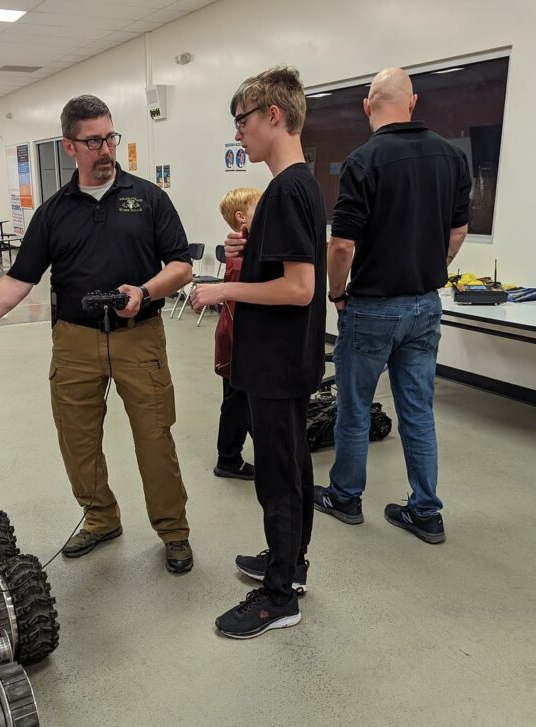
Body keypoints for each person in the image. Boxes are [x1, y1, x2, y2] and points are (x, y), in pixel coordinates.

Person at [0, 94, 196, 573]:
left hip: (140, 336)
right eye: (93, 141)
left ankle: (173, 530)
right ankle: (100, 519)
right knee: (77, 439)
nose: (105, 150)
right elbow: (17, 282)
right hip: (74, 342)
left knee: (155, 438)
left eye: (110, 137)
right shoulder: (53, 212)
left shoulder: (149, 198)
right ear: (70, 147)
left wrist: (144, 289)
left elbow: (181, 266)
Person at [192, 67, 327, 638]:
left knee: (278, 475)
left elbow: (300, 288)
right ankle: (287, 565)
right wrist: (243, 253)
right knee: (292, 467)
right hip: (279, 358)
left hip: (278, 362)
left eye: (242, 121)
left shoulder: (290, 188)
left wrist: (222, 288)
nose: (238, 133)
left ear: (274, 115)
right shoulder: (288, 189)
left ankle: (279, 598)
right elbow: (284, 268)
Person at [313, 68, 471, 545]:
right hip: (426, 306)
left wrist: (336, 293)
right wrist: (431, 265)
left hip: (373, 307)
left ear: (367, 105)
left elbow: (341, 246)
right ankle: (426, 511)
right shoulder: (451, 156)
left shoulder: (364, 160)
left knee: (356, 406)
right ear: (413, 102)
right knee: (418, 410)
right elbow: (458, 231)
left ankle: (345, 496)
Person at [212, 187, 261, 482]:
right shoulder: (244, 258)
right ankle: (228, 458)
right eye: (260, 208)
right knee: (238, 401)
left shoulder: (247, 251)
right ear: (242, 217)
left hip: (236, 339)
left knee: (244, 400)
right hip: (238, 340)